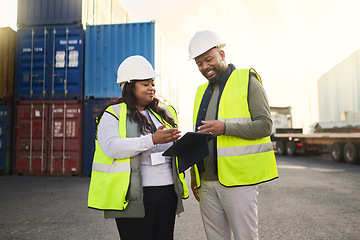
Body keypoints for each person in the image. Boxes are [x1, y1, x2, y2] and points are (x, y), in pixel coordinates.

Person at [188, 30, 278, 240]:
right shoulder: (201, 91)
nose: (204, 67)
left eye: (208, 59)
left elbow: (265, 125)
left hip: (238, 181)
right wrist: (195, 175)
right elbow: (198, 136)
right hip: (206, 183)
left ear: (222, 54)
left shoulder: (247, 80)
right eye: (199, 63)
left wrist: (226, 128)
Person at [88, 55, 189, 240]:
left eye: (152, 83)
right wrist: (152, 139)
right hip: (136, 195)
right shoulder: (113, 114)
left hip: (166, 191)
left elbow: (169, 152)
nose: (152, 88)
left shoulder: (163, 114)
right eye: (145, 84)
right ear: (129, 86)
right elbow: (112, 147)